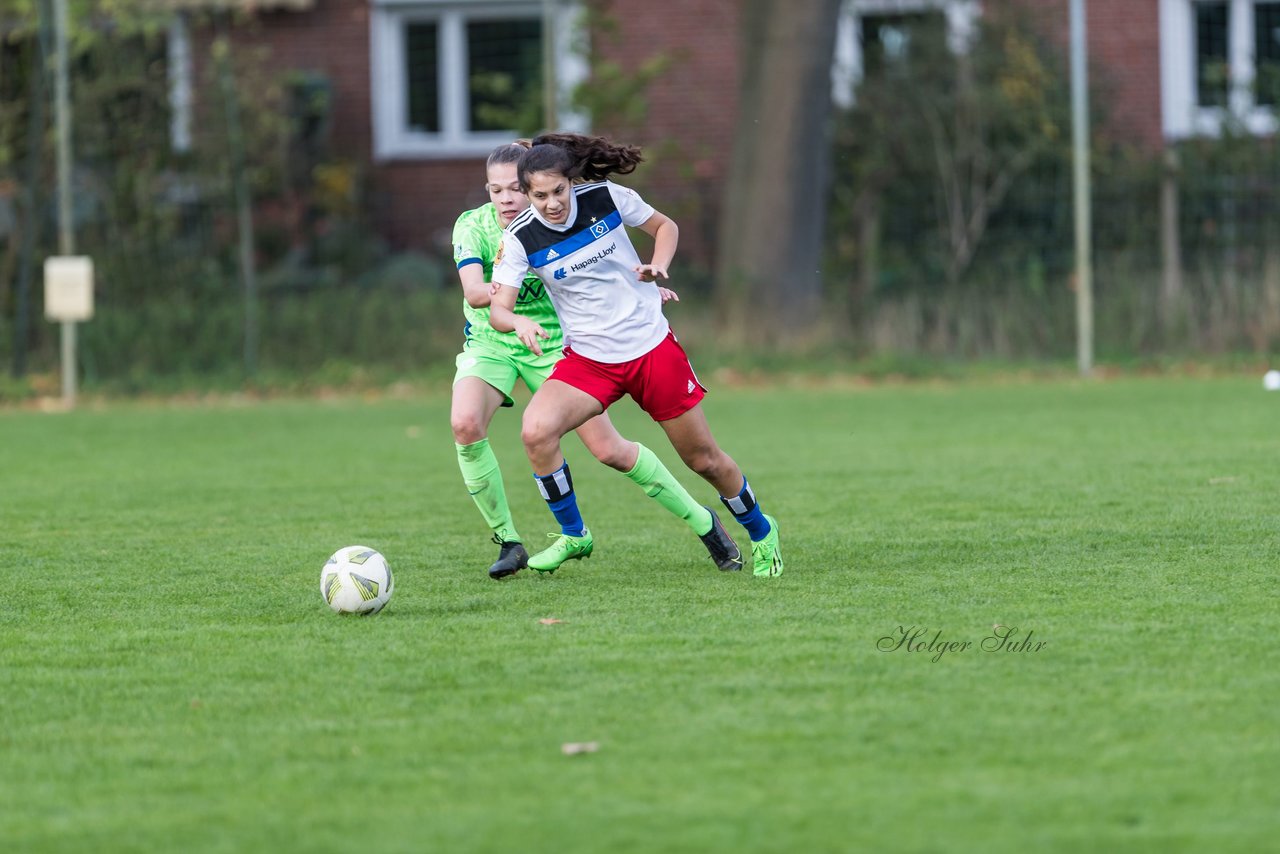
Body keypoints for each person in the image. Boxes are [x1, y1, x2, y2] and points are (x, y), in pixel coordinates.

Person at [487, 133, 784, 578]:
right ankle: (574, 534)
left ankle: (762, 532)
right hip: (589, 361)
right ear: (527, 195)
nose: (552, 204)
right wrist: (519, 322)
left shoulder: (607, 197)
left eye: (559, 191)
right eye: (540, 196)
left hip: (650, 349)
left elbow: (666, 227)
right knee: (536, 431)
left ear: (571, 181)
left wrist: (658, 264)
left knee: (703, 459)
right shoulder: (520, 237)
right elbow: (498, 310)